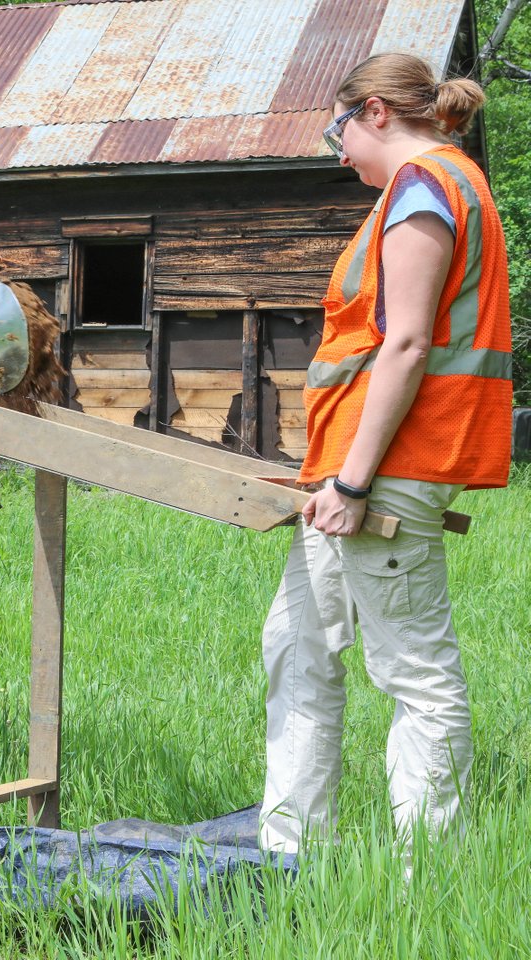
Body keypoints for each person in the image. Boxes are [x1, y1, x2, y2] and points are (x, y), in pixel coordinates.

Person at [259, 54, 513, 858]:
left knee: (414, 674)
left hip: (387, 471)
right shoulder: (432, 187)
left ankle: (422, 875)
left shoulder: (426, 188)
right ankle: (291, 854)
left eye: (340, 132)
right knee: (298, 646)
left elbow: (404, 344)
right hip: (350, 472)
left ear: (374, 111)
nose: (340, 155)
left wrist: (355, 481)